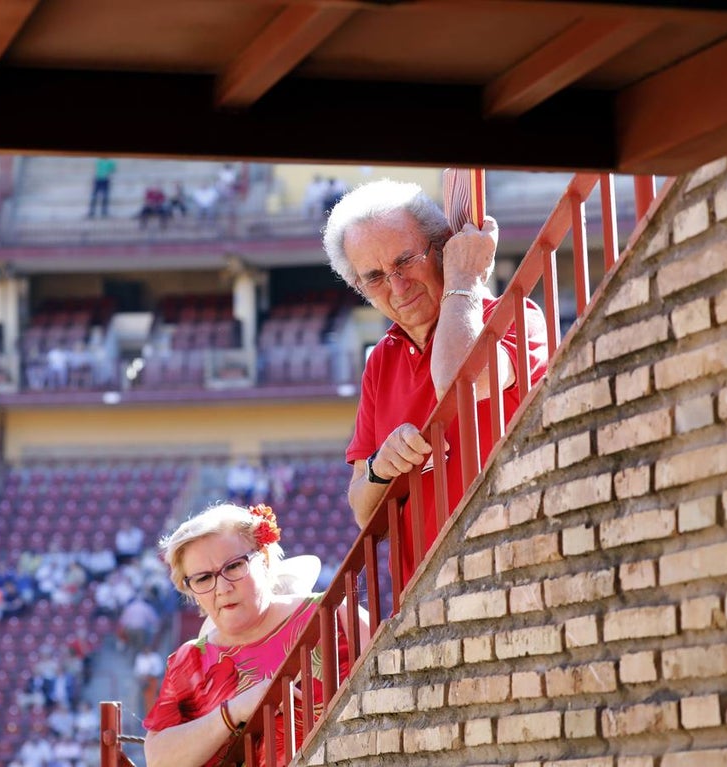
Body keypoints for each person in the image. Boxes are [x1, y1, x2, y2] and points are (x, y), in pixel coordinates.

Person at [322, 178, 549, 581]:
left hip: (515, 567)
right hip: (428, 600)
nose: (397, 286)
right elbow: (363, 511)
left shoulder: (515, 316)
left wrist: (465, 280)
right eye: (374, 277)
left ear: (442, 247)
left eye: (405, 260)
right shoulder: (380, 361)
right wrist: (380, 468)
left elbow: (458, 382)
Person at [142, 503, 367, 767]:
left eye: (234, 566)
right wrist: (233, 711)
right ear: (191, 591)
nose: (223, 588)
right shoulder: (188, 660)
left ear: (266, 559)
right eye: (203, 579)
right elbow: (158, 760)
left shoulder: (334, 614)